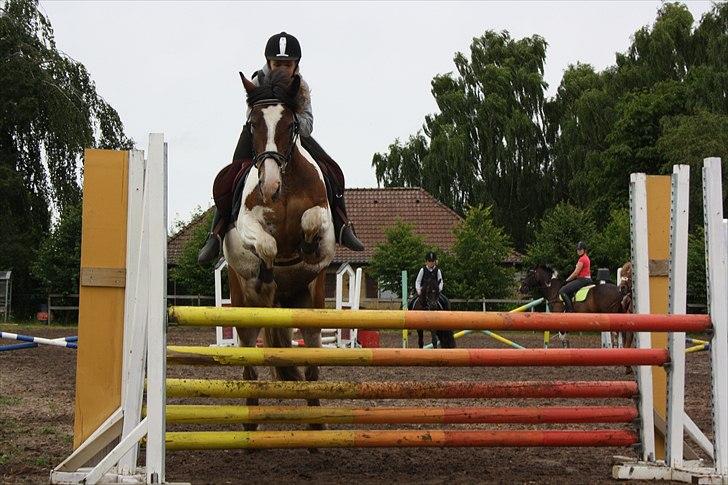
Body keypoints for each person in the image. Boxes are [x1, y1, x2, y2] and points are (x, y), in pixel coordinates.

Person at [197, 31, 364, 264]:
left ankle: (344, 225)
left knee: (330, 168)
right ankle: (215, 235)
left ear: (296, 65)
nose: (283, 69)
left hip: (292, 134)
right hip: (261, 134)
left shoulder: (301, 85)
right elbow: (253, 117)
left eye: (288, 64)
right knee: (231, 174)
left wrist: (289, 121)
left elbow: (308, 125)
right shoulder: (257, 81)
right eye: (278, 64)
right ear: (268, 63)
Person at [559, 241, 593, 312]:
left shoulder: (582, 259)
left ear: (584, 250)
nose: (578, 251)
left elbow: (575, 273)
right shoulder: (586, 258)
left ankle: (570, 310)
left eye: (580, 249)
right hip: (587, 279)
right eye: (578, 249)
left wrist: (566, 280)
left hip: (582, 280)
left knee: (562, 291)